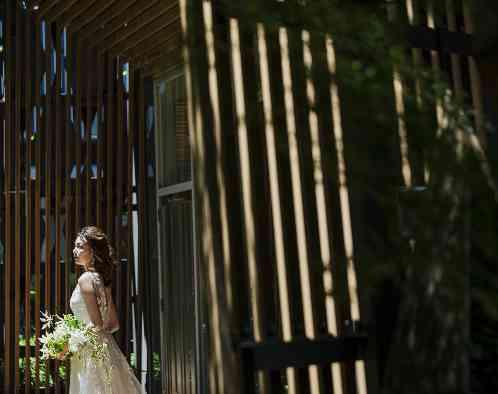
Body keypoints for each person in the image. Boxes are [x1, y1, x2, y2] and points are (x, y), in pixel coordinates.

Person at [67, 226, 145, 394]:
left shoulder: (86, 279)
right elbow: (113, 324)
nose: (75, 250)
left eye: (80, 246)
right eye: (75, 245)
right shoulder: (101, 280)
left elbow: (96, 324)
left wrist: (70, 343)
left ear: (93, 251)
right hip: (106, 349)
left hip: (90, 353)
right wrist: (103, 339)